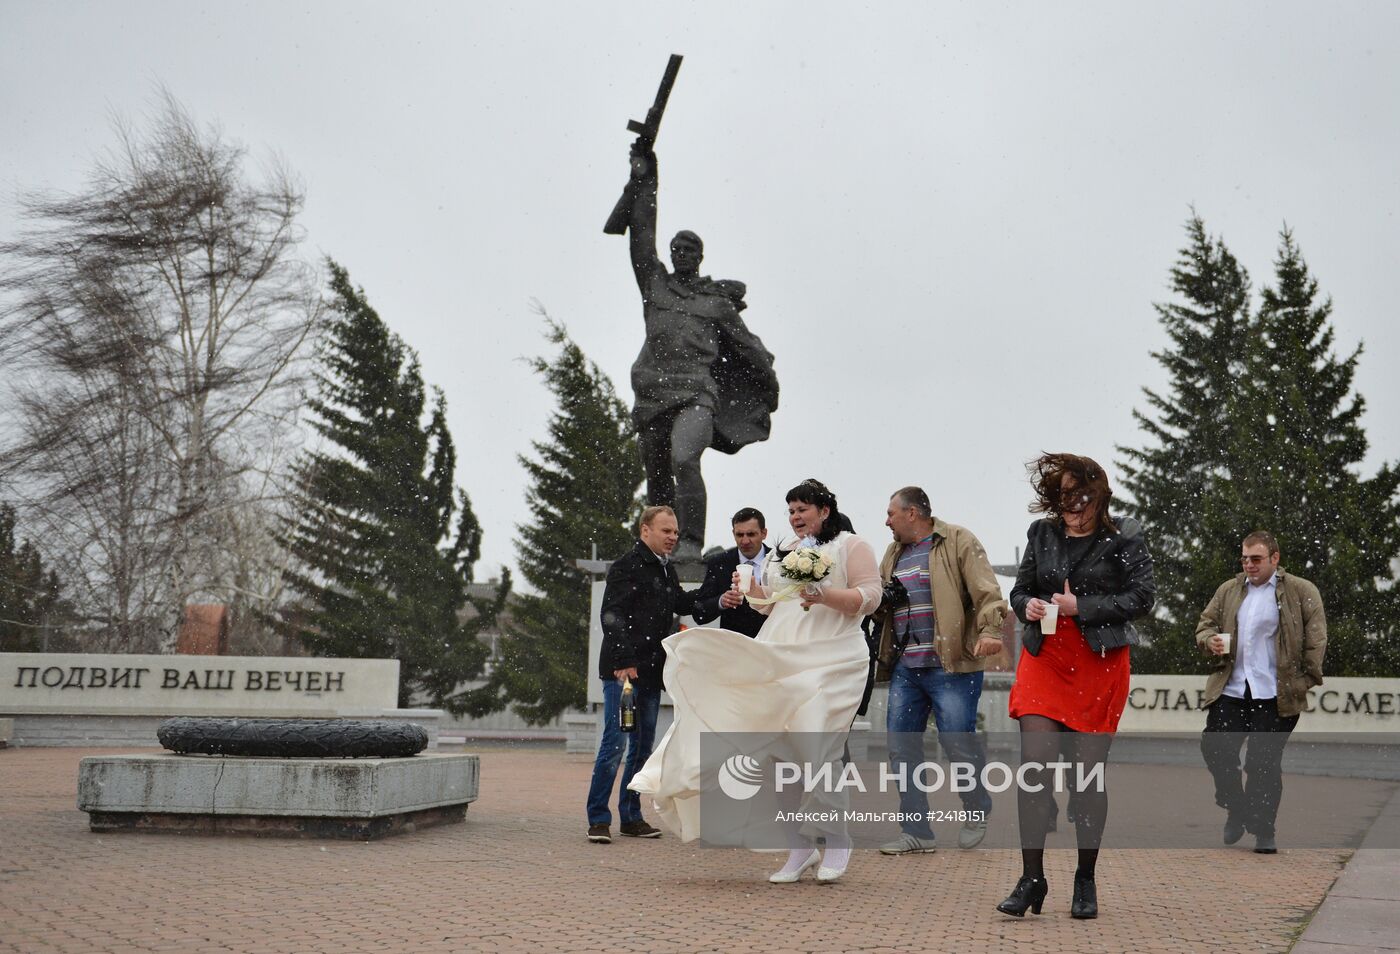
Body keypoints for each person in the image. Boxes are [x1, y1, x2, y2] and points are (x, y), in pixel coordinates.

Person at [629, 479, 880, 884]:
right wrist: (750, 590)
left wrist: (824, 595)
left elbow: (870, 597)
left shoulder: (852, 546)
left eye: (803, 510)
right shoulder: (793, 553)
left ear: (824, 511)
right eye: (792, 511)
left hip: (834, 656)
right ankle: (799, 848)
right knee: (777, 753)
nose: (796, 518)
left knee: (818, 746)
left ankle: (838, 840)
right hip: (784, 653)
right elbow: (773, 607)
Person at [999, 453, 1155, 920]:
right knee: (1034, 767)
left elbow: (1141, 598)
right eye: (1063, 497)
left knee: (1087, 777)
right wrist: (1028, 604)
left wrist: (1078, 607)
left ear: (1098, 494)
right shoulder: (1042, 534)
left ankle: (1084, 879)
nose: (1071, 506)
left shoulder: (1124, 535)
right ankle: (1032, 878)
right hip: (1044, 658)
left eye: (1079, 496)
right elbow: (1021, 588)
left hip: (1098, 661)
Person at [624, 143, 779, 560]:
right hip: (654, 391)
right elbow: (640, 234)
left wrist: (767, 382)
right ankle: (657, 545)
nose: (681, 254)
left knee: (685, 457)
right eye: (676, 248)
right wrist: (646, 177)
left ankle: (689, 541)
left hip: (697, 392)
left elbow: (748, 347)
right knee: (656, 476)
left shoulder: (715, 303)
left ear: (700, 257)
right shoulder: (655, 285)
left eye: (689, 250)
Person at [873, 486, 1008, 854]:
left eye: (891, 513)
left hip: (951, 666)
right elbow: (883, 604)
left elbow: (987, 592)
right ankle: (917, 832)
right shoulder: (893, 552)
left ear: (912, 513)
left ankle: (977, 806)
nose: (886, 521)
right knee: (902, 750)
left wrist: (992, 630)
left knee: (957, 743)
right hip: (906, 667)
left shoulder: (958, 540)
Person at [1197, 530, 1327, 854]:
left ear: (1274, 558)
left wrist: (1303, 680)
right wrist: (1209, 640)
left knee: (1262, 763)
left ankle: (1264, 829)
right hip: (1233, 689)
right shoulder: (1229, 590)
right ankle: (1236, 807)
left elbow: (1316, 639)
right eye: (1245, 558)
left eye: (1256, 559)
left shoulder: (1300, 590)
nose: (1249, 565)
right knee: (1216, 748)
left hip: (1275, 694)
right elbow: (1205, 624)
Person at [586, 505, 697, 844]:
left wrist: (721, 598)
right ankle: (598, 818)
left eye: (675, 531)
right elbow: (612, 614)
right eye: (666, 530)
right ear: (645, 531)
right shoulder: (626, 567)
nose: (673, 537)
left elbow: (682, 602)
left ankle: (631, 817)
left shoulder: (665, 570)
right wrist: (624, 660)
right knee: (615, 744)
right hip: (625, 674)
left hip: (650, 672)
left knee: (642, 748)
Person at [690, 507, 771, 637]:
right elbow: (699, 612)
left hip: (771, 643)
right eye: (739, 535)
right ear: (733, 533)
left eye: (751, 534)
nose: (745, 541)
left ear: (764, 533)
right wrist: (721, 601)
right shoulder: (719, 563)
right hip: (732, 647)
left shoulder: (780, 561)